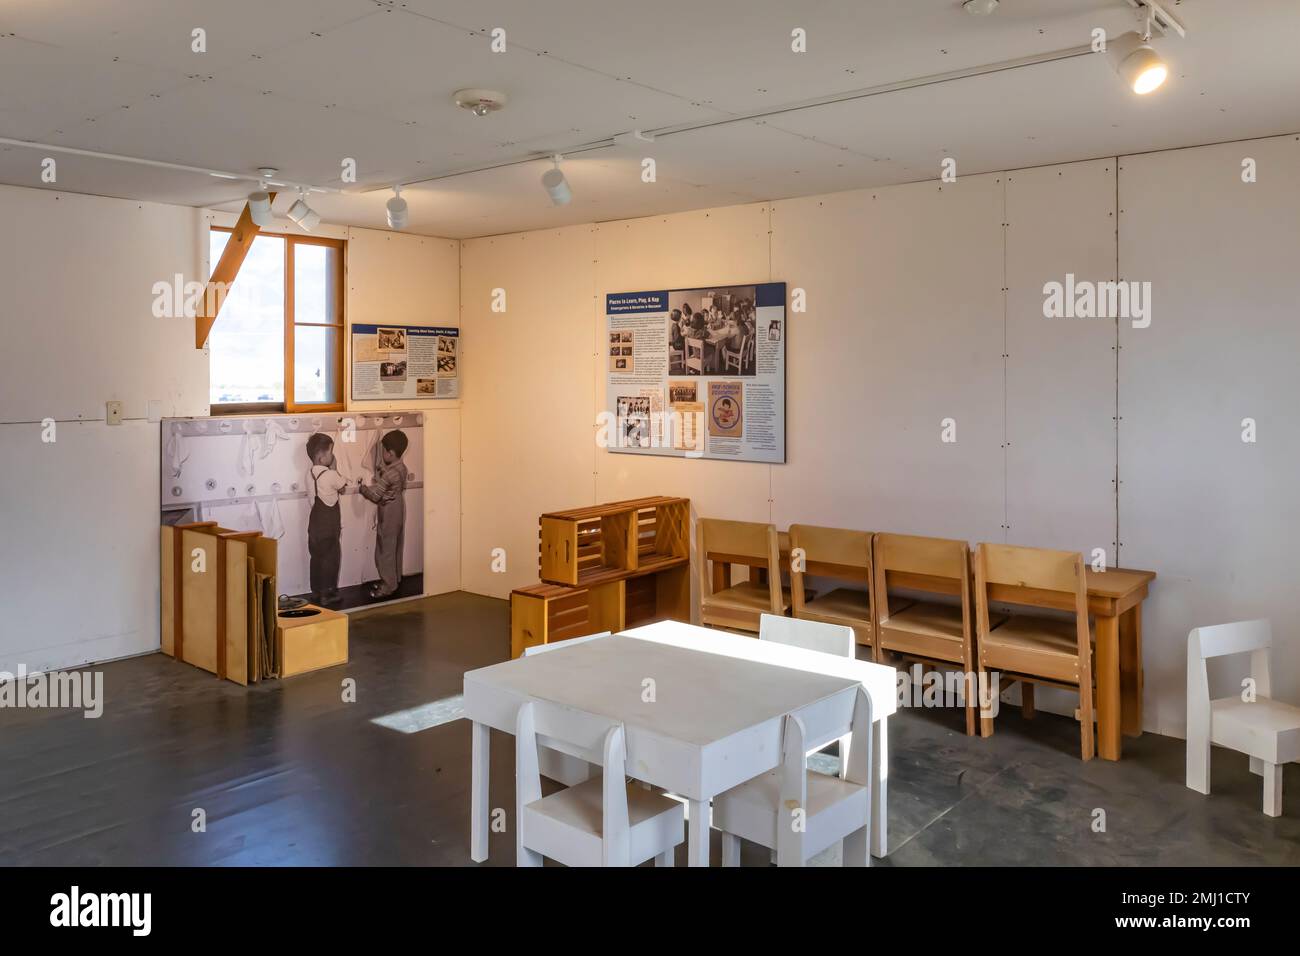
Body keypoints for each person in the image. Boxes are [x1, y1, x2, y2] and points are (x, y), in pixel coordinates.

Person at [359, 429, 409, 599]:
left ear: (391, 453)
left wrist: (363, 489)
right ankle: (394, 580)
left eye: (383, 453)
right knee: (395, 545)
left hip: (388, 512)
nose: (381, 456)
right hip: (399, 508)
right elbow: (392, 486)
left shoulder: (389, 474)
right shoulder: (401, 468)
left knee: (384, 548)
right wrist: (382, 475)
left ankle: (388, 586)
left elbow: (375, 496)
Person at [305, 432, 349, 607]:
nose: (333, 456)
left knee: (316, 558)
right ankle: (327, 594)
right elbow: (343, 488)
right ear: (322, 457)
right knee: (331, 558)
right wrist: (335, 468)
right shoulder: (331, 475)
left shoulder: (308, 474)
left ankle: (316, 592)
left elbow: (311, 499)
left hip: (314, 526)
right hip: (328, 527)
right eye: (331, 452)